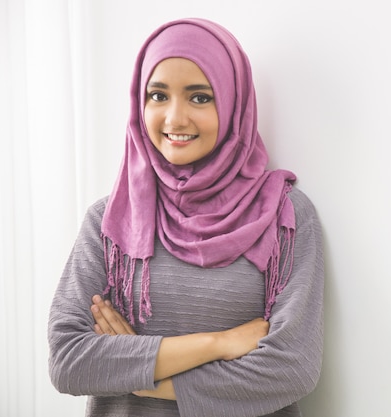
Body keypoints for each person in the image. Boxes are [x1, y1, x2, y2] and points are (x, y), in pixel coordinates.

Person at [48, 17, 324, 417]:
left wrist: (145, 380)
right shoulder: (110, 221)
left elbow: (291, 368)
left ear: (234, 103)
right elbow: (68, 359)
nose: (175, 119)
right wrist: (220, 343)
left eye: (200, 97)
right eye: (158, 96)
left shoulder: (284, 215)